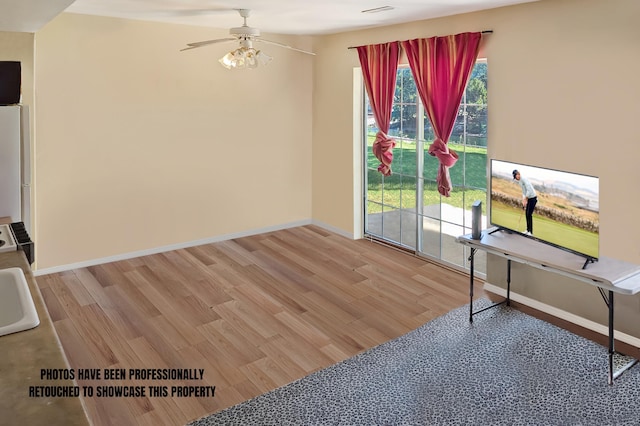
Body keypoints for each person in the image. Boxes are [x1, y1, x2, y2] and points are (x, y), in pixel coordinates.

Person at [512, 169, 537, 236]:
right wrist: (524, 200)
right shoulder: (520, 181)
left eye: (515, 176)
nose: (515, 178)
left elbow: (529, 190)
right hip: (528, 198)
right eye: (514, 177)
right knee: (526, 214)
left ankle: (531, 232)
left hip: (533, 198)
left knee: (529, 214)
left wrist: (526, 198)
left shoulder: (524, 179)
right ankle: (527, 230)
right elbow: (524, 192)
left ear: (518, 174)